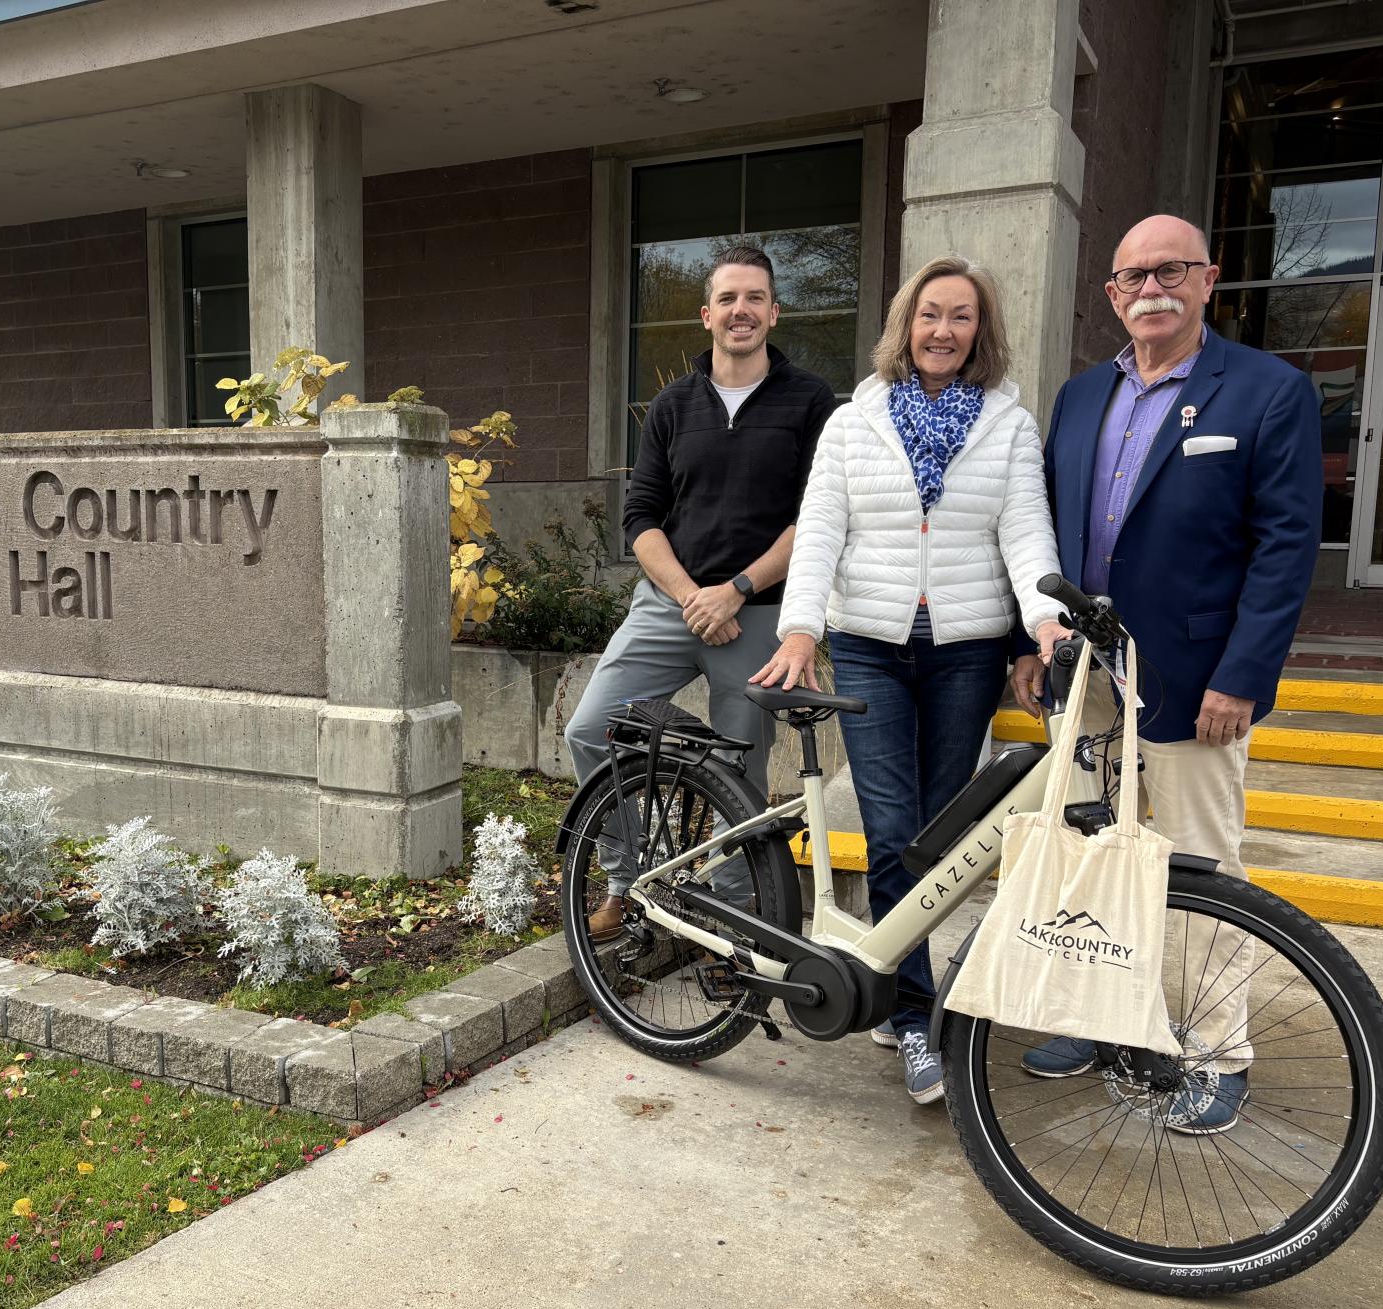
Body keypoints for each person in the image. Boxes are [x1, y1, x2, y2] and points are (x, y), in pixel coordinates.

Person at [1016, 214, 1323, 1135]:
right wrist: (1031, 644)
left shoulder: (1268, 392)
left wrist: (1244, 672)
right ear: (1111, 295)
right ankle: (1097, 1016)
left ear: (1207, 279)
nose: (1150, 288)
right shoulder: (1077, 398)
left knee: (1201, 864)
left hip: (1197, 676)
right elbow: (1043, 530)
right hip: (1086, 671)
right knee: (1085, 854)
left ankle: (1219, 1051)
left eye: (1169, 271)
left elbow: (1285, 547)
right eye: (1131, 277)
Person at [752, 255, 1067, 1105]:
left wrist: (1043, 621)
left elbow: (1025, 532)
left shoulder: (1007, 423)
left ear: (981, 330)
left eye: (961, 317)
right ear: (905, 323)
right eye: (930, 314)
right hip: (868, 646)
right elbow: (820, 529)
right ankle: (911, 1014)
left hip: (967, 649)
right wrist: (799, 628)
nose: (943, 331)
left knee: (941, 836)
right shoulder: (856, 421)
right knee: (894, 825)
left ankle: (903, 989)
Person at [565, 244, 835, 928]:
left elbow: (820, 518)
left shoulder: (811, 404)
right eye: (727, 299)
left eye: (754, 298)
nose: (740, 311)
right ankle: (627, 880)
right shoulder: (672, 406)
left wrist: (737, 589)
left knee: (739, 767)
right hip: (670, 606)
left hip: (759, 616)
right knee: (592, 728)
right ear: (706, 315)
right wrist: (693, 595)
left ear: (774, 313)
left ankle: (727, 910)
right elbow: (640, 518)